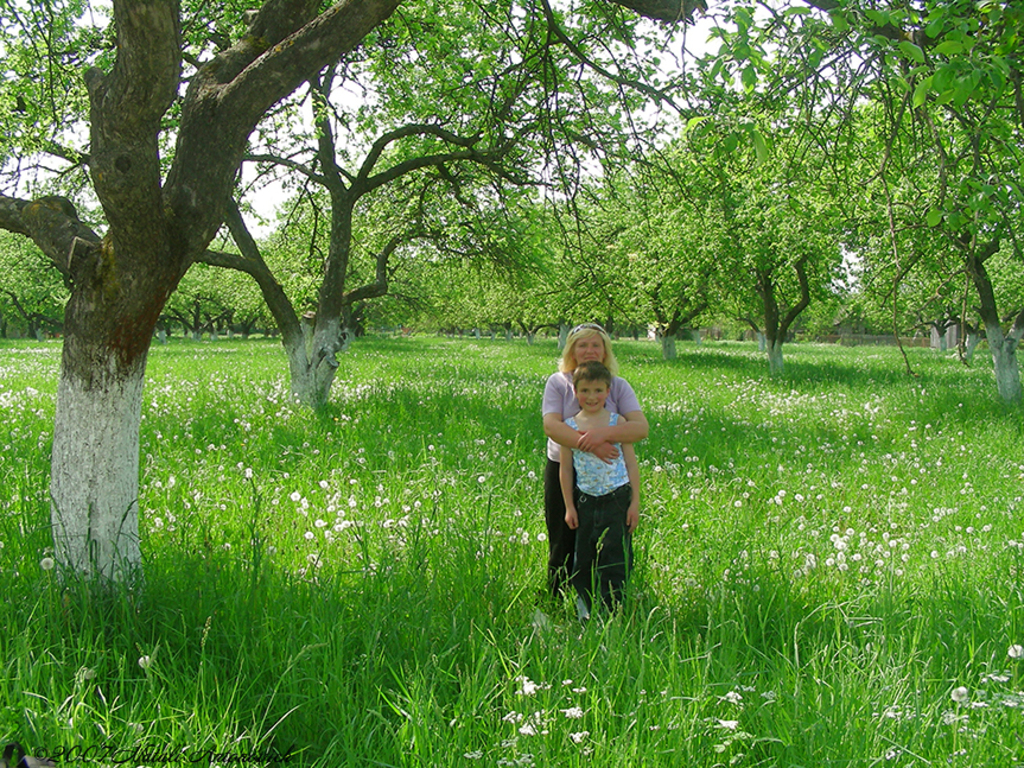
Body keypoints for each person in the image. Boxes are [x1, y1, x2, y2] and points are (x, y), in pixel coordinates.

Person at [541, 323, 648, 599]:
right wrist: (589, 446)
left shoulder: (617, 385)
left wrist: (603, 435)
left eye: (596, 345)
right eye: (582, 345)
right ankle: (560, 598)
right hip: (563, 471)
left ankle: (609, 600)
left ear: (605, 351)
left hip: (610, 479)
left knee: (608, 542)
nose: (589, 350)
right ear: (572, 351)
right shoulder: (558, 383)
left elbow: (639, 428)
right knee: (563, 537)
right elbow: (552, 426)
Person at [560, 361, 640, 619]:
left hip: (617, 499)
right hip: (585, 501)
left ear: (608, 391)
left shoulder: (619, 422)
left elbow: (630, 463)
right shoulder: (568, 426)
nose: (591, 397)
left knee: (615, 557)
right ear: (575, 392)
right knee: (583, 559)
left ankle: (613, 611)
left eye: (597, 390)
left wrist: (635, 502)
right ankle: (585, 611)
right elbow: (566, 470)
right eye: (585, 390)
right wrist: (569, 506)